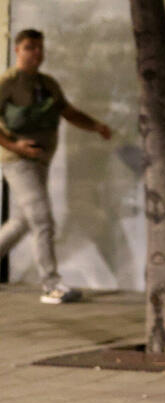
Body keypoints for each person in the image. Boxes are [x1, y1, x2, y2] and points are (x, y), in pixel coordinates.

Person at [0, 28, 112, 304]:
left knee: (21, 222)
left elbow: (68, 111)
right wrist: (15, 146)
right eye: (29, 47)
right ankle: (51, 285)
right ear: (17, 50)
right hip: (18, 162)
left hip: (41, 161)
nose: (36, 53)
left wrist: (95, 126)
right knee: (43, 220)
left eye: (39, 48)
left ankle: (51, 283)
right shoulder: (7, 82)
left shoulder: (47, 83)